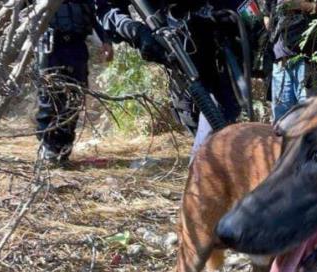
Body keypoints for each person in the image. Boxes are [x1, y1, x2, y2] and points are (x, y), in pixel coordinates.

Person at [94, 0, 260, 158]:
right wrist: (136, 31)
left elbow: (248, 12)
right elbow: (106, 9)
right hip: (181, 60)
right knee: (201, 131)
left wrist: (252, 28)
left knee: (220, 128)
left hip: (223, 53)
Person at [36, 0, 114, 164]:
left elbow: (95, 14)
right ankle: (49, 148)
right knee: (50, 98)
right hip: (50, 46)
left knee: (75, 98)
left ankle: (63, 149)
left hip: (76, 45)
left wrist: (106, 40)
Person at [265, 0, 317, 121]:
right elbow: (267, 14)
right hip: (280, 62)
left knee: (308, 121)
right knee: (281, 123)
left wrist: (307, 6)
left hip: (309, 59)